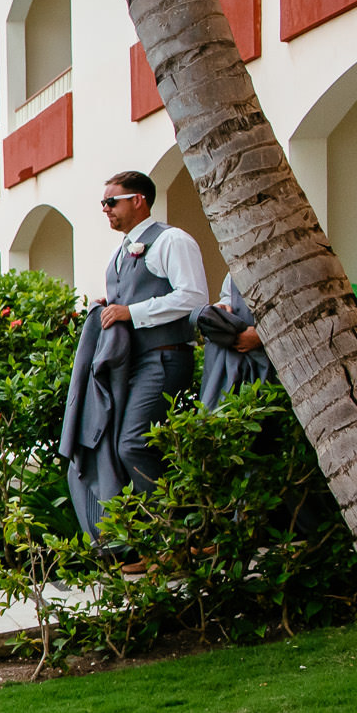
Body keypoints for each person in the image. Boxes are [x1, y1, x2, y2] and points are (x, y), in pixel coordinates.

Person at [59, 169, 208, 541]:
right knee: (113, 445)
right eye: (103, 204)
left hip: (164, 358)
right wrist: (108, 307)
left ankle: (175, 538)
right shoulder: (119, 253)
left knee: (133, 444)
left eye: (112, 202)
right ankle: (157, 537)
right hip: (131, 365)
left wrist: (132, 312)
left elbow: (193, 297)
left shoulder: (171, 240)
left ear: (138, 200)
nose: (106, 210)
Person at [198, 272, 279, 407]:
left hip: (275, 362)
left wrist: (263, 335)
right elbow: (230, 295)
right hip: (236, 358)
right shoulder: (237, 262)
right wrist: (223, 306)